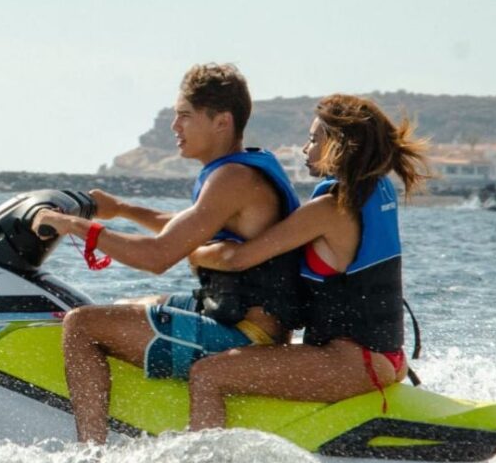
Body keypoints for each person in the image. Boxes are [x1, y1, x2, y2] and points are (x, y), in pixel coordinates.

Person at [30, 63, 301, 444]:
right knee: (126, 304)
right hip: (228, 313)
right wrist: (122, 209)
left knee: (82, 326)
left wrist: (73, 226)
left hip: (244, 336)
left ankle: (90, 456)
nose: (175, 127)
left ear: (221, 121)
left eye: (185, 117)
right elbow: (182, 226)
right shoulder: (239, 170)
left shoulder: (233, 179)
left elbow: (157, 257)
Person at [183, 94, 431, 430]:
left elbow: (239, 259)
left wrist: (188, 249)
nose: (305, 148)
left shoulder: (329, 209)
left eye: (315, 139)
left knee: (208, 373)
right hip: (381, 357)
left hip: (352, 363)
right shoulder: (376, 190)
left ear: (341, 145)